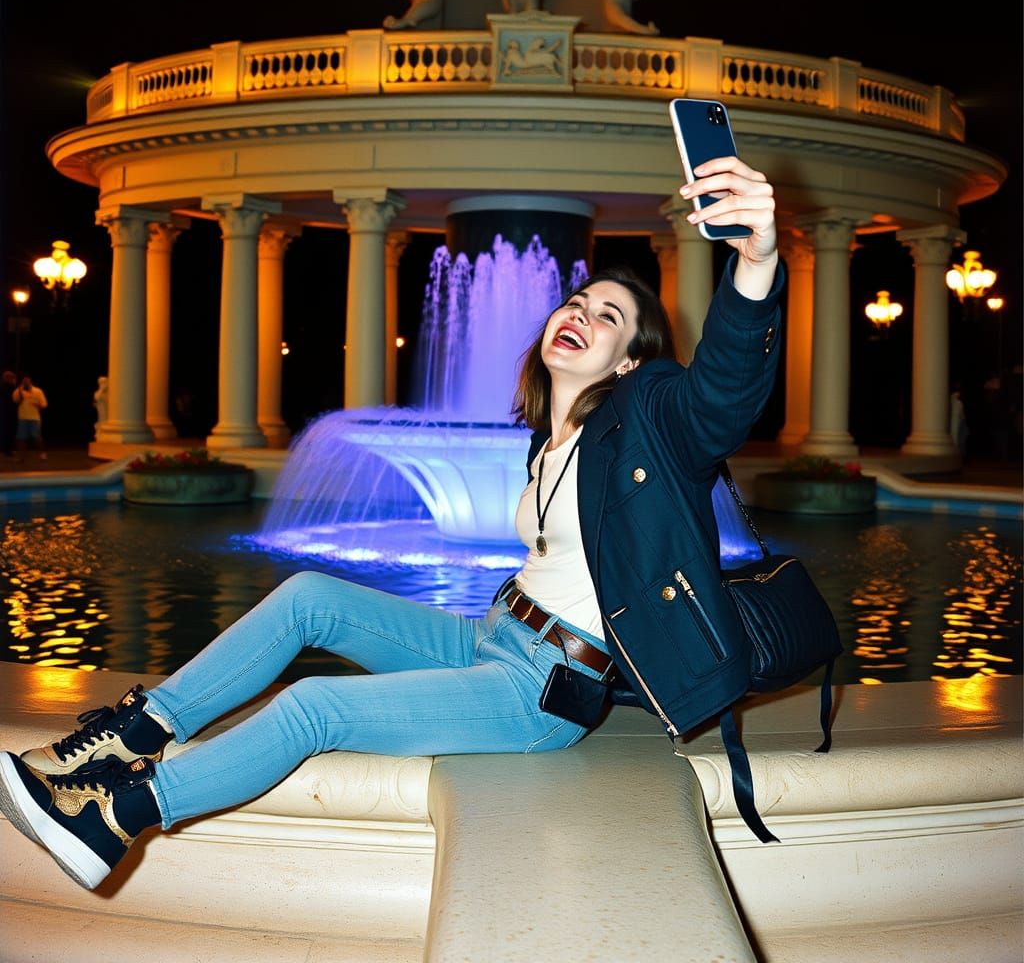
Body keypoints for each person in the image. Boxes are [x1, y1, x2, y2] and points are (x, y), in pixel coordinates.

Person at [0, 156, 784, 891]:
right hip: (492, 638)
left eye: (607, 316)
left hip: (543, 689)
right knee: (310, 594)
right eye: (575, 302)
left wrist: (754, 261)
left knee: (315, 708)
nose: (578, 313)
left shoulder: (649, 422)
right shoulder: (549, 444)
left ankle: (113, 819)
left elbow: (721, 393)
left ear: (627, 364)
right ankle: (135, 734)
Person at [12, 374, 48, 461]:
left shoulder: (38, 391)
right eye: (24, 381)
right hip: (23, 418)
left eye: (27, 381)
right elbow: (15, 401)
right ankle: (21, 457)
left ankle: (42, 454)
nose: (26, 382)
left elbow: (44, 404)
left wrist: (37, 404)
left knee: (37, 437)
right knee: (21, 438)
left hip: (34, 418)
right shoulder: (18, 391)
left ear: (30, 381)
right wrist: (21, 392)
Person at [0, 370, 17, 457]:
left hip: (5, 412)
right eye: (12, 378)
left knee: (6, 431)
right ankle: (7, 449)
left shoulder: (4, 387)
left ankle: (6, 448)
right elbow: (12, 400)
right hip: (8, 412)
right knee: (8, 431)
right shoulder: (9, 387)